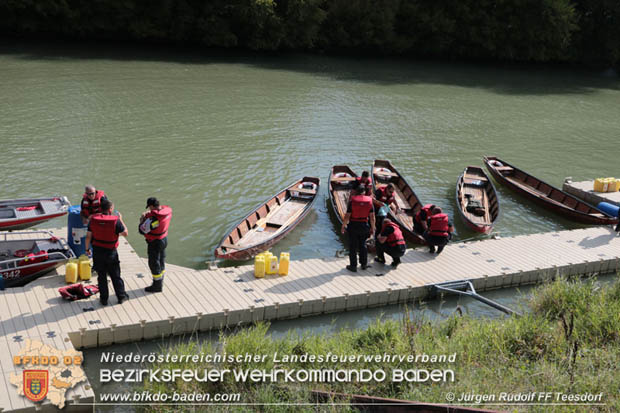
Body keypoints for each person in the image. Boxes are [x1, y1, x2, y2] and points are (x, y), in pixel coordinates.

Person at [84, 199, 129, 306]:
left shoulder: (93, 220)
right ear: (110, 209)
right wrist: (121, 219)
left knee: (101, 276)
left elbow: (88, 237)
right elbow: (125, 233)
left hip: (98, 251)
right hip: (111, 252)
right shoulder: (115, 220)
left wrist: (87, 249)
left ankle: (104, 299)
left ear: (101, 209)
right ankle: (121, 297)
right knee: (115, 275)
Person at [139, 197, 172, 293]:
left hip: (155, 242)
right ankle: (160, 282)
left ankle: (157, 286)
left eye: (149, 207)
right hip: (164, 239)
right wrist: (148, 215)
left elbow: (142, 230)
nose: (149, 209)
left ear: (152, 206)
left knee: (154, 263)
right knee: (161, 260)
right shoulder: (167, 212)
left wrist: (142, 219)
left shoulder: (154, 219)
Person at [341, 185, 375, 272]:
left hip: (353, 225)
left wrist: (343, 226)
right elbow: (372, 217)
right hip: (364, 225)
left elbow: (347, 216)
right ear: (364, 192)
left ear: (356, 192)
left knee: (353, 246)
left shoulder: (352, 201)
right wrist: (373, 228)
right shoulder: (369, 201)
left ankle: (353, 266)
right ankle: (364, 264)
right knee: (363, 245)